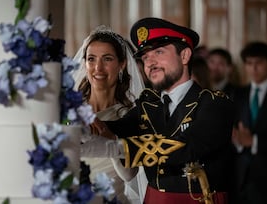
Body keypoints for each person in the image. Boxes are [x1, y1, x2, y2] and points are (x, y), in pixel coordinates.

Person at [81, 17, 235, 204]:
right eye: (145, 57)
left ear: (185, 56)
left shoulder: (214, 103)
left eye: (159, 52)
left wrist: (117, 147)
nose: (150, 62)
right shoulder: (148, 106)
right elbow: (113, 126)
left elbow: (187, 145)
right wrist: (74, 126)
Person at [73, 25, 148, 203]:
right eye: (91, 59)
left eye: (107, 59)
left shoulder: (131, 115)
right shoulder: (69, 109)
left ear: (122, 64)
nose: (98, 67)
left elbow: (129, 175)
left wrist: (110, 136)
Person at [231, 41, 267, 204]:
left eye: (259, 63)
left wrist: (254, 142)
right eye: (249, 63)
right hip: (240, 178)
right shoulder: (237, 94)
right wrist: (237, 140)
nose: (254, 68)